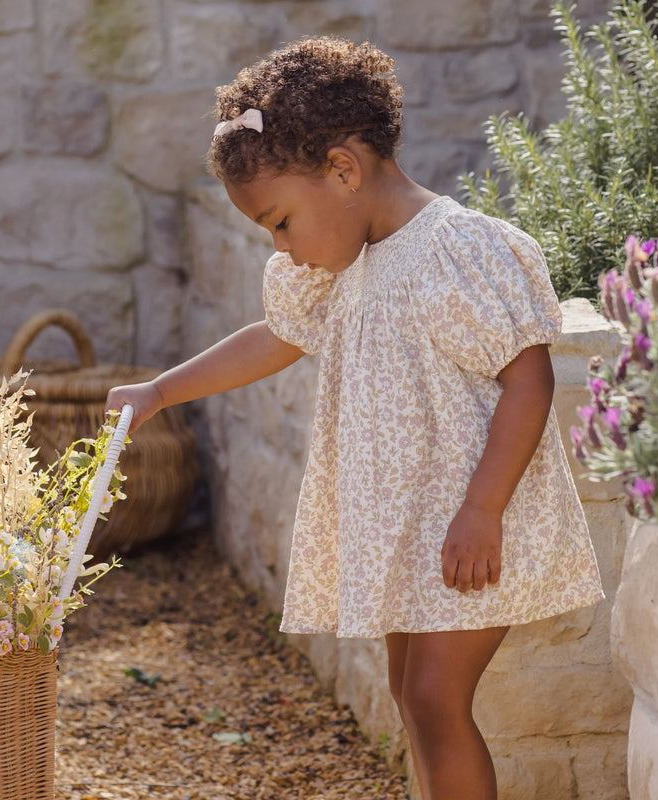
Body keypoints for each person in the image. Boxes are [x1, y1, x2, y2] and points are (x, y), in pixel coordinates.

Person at [106, 36, 604, 800]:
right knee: (413, 699)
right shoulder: (346, 266)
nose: (281, 248)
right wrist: (159, 392)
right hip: (412, 531)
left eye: (280, 222)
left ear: (343, 169)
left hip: (469, 527)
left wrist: (482, 509)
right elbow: (273, 338)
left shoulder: (456, 248)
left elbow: (529, 382)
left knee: (437, 700)